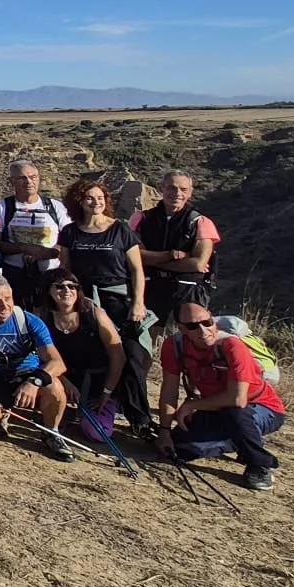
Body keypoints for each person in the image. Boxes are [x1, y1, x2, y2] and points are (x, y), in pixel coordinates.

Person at [157, 301, 286, 491]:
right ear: (181, 328)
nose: (203, 330)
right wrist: (164, 431)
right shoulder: (174, 346)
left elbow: (237, 399)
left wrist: (193, 404)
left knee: (236, 413)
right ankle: (239, 441)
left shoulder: (232, 345)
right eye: (193, 326)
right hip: (216, 408)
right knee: (178, 449)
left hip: (261, 407)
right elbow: (169, 391)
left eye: (207, 322)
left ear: (212, 319)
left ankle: (259, 464)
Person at [57, 178, 151, 436]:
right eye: (89, 198)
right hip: (83, 300)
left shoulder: (120, 230)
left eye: (100, 197)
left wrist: (138, 303)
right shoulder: (70, 232)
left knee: (130, 353)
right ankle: (75, 403)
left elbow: (136, 270)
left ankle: (139, 418)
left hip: (117, 300)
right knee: (79, 350)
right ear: (79, 202)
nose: (95, 202)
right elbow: (65, 270)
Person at [0, 273, 74, 462]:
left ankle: (52, 432)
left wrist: (34, 382)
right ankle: (0, 416)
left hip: (26, 374)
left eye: (7, 298)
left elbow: (57, 362)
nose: (4, 306)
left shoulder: (29, 321)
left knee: (55, 388)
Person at [41, 272, 125, 439]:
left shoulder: (95, 315)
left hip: (97, 382)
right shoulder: (42, 317)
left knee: (97, 433)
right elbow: (41, 357)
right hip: (63, 378)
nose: (66, 290)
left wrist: (106, 392)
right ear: (48, 291)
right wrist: (65, 382)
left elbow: (118, 356)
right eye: (59, 286)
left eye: (72, 286)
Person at [134, 172, 220, 325]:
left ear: (191, 192)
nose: (177, 194)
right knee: (148, 338)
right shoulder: (141, 219)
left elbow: (198, 264)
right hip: (148, 289)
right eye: (172, 188)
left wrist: (151, 260)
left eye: (183, 189)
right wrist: (173, 255)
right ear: (162, 188)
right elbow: (133, 256)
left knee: (185, 338)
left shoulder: (201, 222)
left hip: (187, 292)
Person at [0, 159, 70, 310]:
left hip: (50, 274)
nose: (29, 182)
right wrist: (28, 249)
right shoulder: (2, 207)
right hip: (15, 274)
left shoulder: (55, 206)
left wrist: (47, 253)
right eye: (22, 178)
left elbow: (67, 239)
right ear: (11, 181)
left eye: (33, 177)